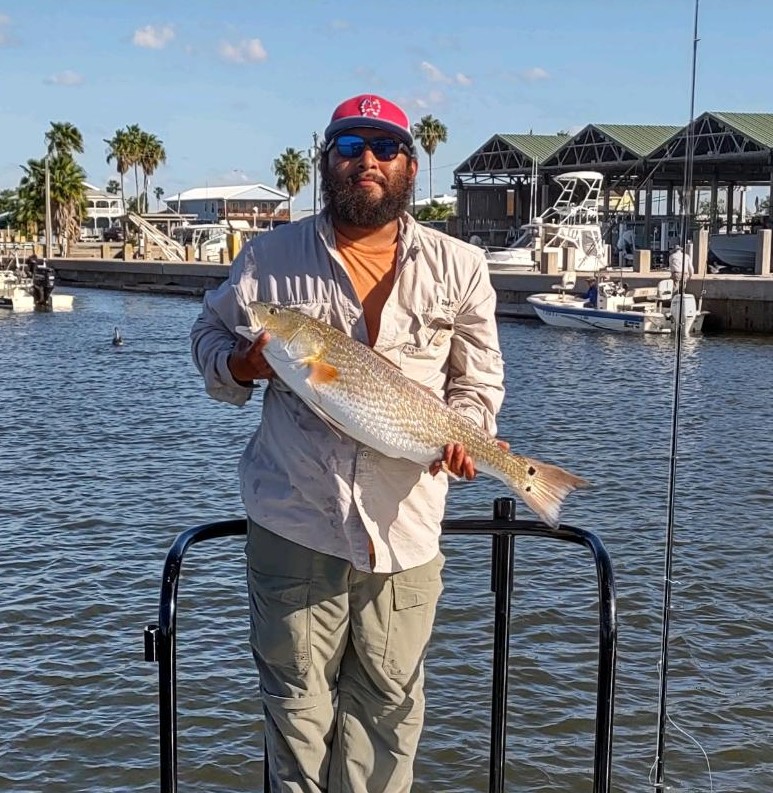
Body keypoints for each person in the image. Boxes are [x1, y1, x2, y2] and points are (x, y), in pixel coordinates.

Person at [190, 93, 505, 793]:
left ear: (410, 165)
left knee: (389, 712)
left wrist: (469, 437)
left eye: (385, 146)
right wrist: (242, 363)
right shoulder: (269, 257)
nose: (367, 159)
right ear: (326, 159)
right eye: (350, 144)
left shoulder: (461, 266)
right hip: (294, 521)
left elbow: (477, 383)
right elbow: (210, 334)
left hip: (407, 527)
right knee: (297, 713)